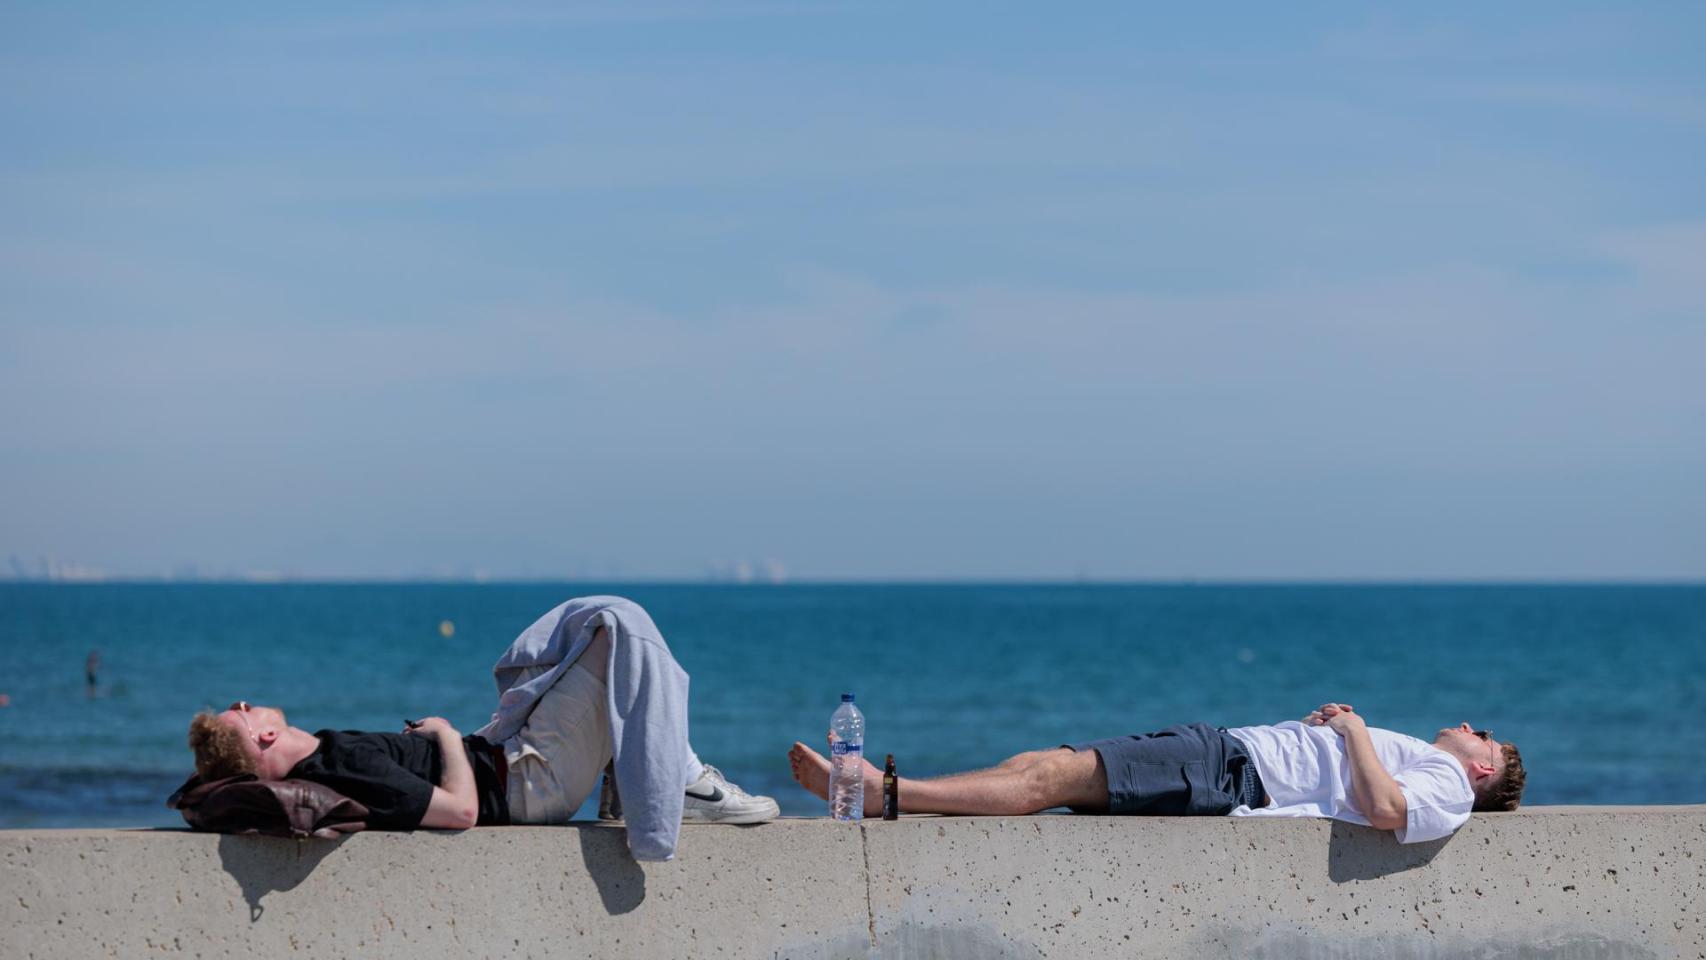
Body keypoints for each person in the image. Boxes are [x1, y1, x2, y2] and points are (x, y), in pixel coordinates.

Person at [188, 596, 778, 860]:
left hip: (507, 758)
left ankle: (645, 774)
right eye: (239, 711)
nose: (246, 702)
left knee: (581, 629)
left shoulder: (328, 755)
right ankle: (680, 785)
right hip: (525, 782)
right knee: (619, 624)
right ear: (263, 738)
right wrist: (444, 734)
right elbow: (460, 813)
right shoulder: (340, 763)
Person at [788, 702, 1525, 844]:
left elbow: (1390, 811)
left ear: (1484, 765)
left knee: (1052, 780)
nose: (1467, 723)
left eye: (1480, 731)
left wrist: (1355, 732)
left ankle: (883, 795)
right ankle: (894, 799)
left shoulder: (1451, 784)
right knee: (1049, 767)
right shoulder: (1436, 764)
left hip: (1231, 773)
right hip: (1229, 755)